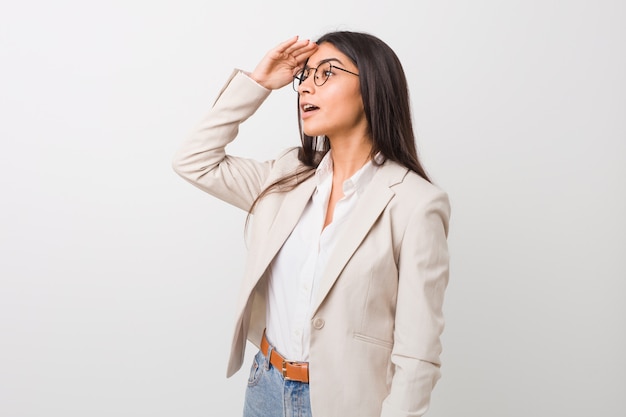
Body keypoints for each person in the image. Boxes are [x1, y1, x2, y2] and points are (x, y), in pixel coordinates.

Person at [172, 31, 451, 417]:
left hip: (344, 403)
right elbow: (193, 160)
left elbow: (418, 353)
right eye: (306, 76)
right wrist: (260, 83)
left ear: (372, 87)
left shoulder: (415, 204)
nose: (306, 88)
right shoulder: (288, 174)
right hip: (265, 388)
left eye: (327, 73)